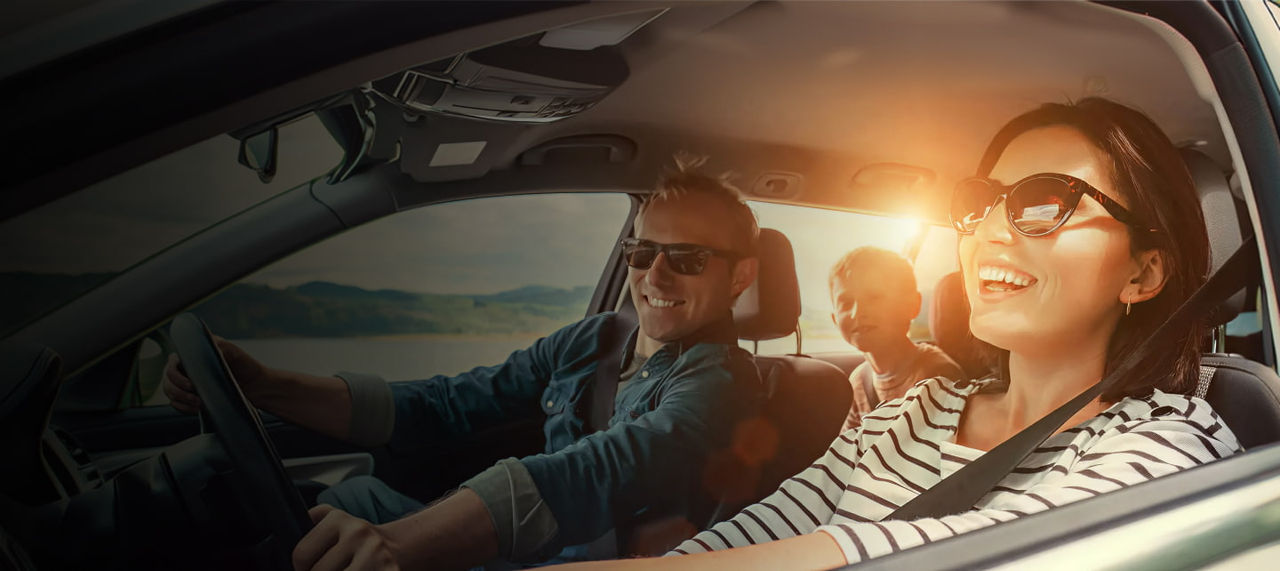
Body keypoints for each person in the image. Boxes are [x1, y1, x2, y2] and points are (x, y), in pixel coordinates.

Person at [554, 98, 1243, 570]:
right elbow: (764, 528)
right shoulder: (912, 412)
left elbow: (979, 548)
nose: (988, 231)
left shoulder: (1172, 439)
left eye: (1044, 202)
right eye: (981, 204)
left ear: (1143, 272)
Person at [162, 157, 765, 570]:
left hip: (563, 563)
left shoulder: (722, 384)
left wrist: (401, 544)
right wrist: (264, 384)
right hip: (510, 549)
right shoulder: (596, 339)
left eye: (687, 258)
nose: (653, 275)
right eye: (642, 250)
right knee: (336, 499)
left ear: (740, 275)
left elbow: (596, 470)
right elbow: (447, 404)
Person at [828, 247, 964, 430]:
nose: (857, 312)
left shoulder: (938, 375)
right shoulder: (859, 379)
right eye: (845, 302)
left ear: (913, 305)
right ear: (834, 319)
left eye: (874, 297)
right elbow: (849, 447)